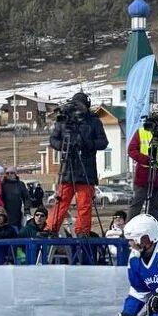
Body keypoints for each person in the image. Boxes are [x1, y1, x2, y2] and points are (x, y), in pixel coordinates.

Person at [47, 92, 108, 237]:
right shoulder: (64, 121)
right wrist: (63, 145)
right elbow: (53, 140)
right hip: (68, 167)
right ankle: (51, 228)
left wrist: (87, 144)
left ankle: (82, 230)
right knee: (61, 201)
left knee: (84, 204)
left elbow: (103, 142)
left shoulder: (94, 121)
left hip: (86, 168)